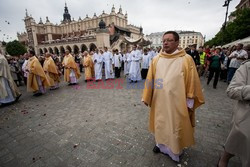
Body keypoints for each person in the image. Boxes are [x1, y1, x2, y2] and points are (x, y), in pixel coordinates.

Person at [142, 31, 204, 162]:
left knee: (175, 126)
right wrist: (147, 95)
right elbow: (151, 78)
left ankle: (175, 151)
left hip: (178, 102)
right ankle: (160, 145)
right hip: (159, 101)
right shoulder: (156, 59)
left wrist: (189, 101)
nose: (165, 42)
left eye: (169, 40)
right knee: (161, 123)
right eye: (164, 40)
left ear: (177, 43)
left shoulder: (186, 59)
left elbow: (192, 81)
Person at [218, 59, 250, 167]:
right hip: (246, 117)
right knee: (234, 143)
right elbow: (231, 90)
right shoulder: (247, 66)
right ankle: (223, 159)